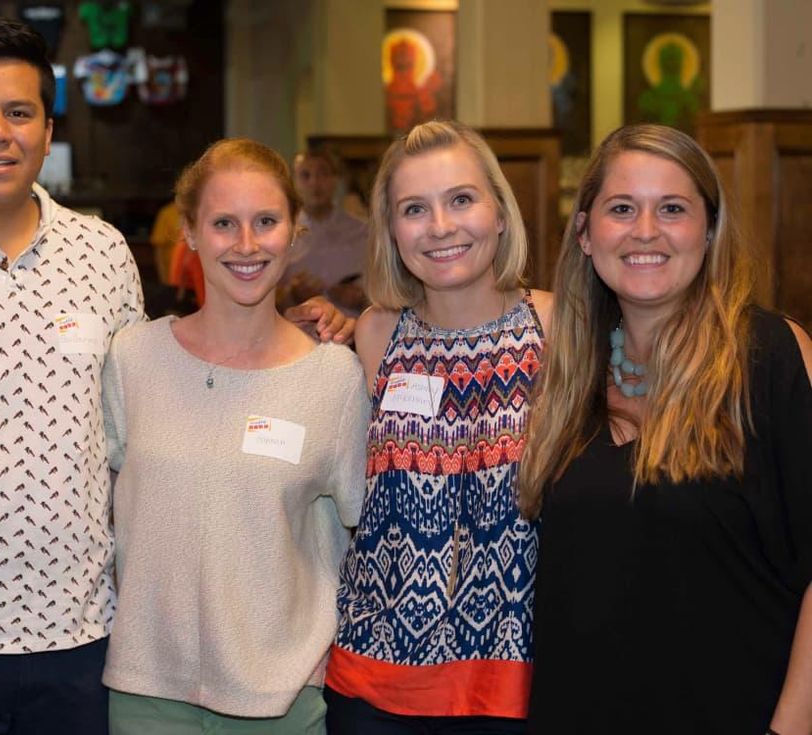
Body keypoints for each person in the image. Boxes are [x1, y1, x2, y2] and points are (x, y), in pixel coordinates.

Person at [0, 17, 351, 735]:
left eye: (19, 112)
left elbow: (153, 417)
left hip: (85, 645)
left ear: (47, 131)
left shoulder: (102, 253)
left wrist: (325, 327)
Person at [520, 124, 812, 735]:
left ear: (708, 229)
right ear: (585, 232)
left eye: (672, 209)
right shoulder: (567, 369)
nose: (645, 231)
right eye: (621, 208)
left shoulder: (774, 357)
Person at [101, 138, 370, 733]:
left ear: (295, 230)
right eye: (224, 223)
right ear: (190, 232)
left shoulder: (335, 378)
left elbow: (364, 534)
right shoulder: (132, 359)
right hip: (148, 692)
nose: (246, 245)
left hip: (282, 699)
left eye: (266, 222)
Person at [325, 120, 553, 734]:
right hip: (376, 677)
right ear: (392, 231)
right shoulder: (376, 333)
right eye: (414, 209)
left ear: (501, 213)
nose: (441, 227)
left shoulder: (558, 326)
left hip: (518, 682)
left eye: (461, 199)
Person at [282, 149, 369, 314]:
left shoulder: (363, 232)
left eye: (323, 173)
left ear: (336, 179)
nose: (315, 182)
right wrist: (291, 295)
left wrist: (362, 298)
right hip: (298, 333)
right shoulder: (281, 234)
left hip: (351, 331)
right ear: (293, 182)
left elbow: (385, 292)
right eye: (305, 175)